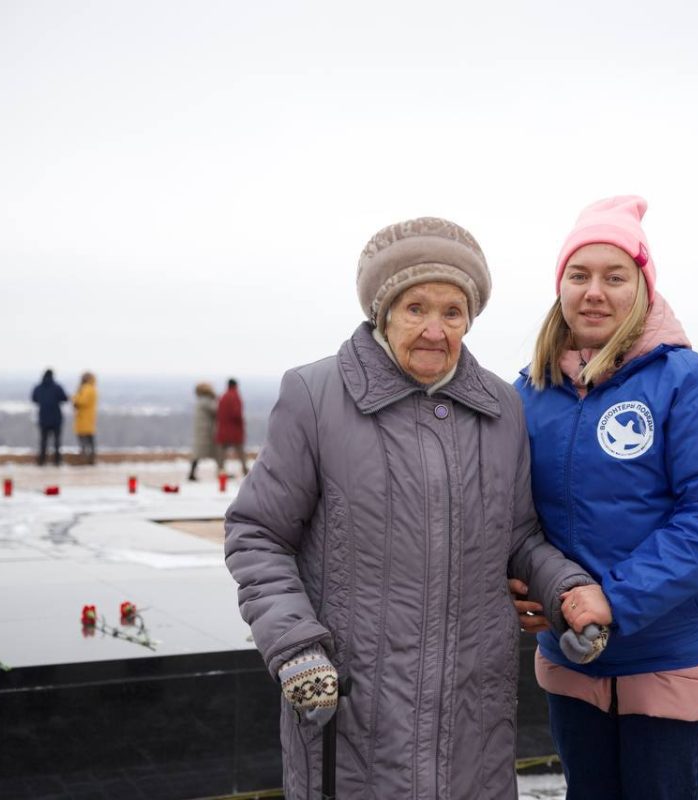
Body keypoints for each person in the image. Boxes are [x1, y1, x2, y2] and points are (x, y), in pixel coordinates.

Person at [224, 216, 609, 799]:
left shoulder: (502, 408)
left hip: (472, 722)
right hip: (352, 716)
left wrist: (566, 595)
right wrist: (296, 646)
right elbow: (258, 534)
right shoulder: (314, 395)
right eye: (415, 309)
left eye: (453, 312)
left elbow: (520, 539)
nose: (435, 330)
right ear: (382, 312)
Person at [512, 196, 698, 800]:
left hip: (674, 657)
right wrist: (539, 590)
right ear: (560, 287)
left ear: (643, 289)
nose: (594, 292)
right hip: (574, 658)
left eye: (615, 277)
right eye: (579, 274)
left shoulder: (691, 383)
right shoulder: (530, 390)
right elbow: (514, 516)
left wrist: (613, 600)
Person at [31, 369, 69, 466]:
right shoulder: (57, 387)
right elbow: (64, 398)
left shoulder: (38, 388)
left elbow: (34, 399)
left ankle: (42, 461)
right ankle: (57, 461)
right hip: (56, 418)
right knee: (57, 441)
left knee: (43, 441)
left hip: (43, 418)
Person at [215, 378, 250, 477]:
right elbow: (237, 414)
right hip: (235, 429)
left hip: (223, 429)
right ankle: (245, 470)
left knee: (222, 452)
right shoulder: (235, 396)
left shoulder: (223, 396)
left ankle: (221, 471)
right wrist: (241, 424)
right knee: (240, 451)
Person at [188, 382, 219, 481]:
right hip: (206, 431)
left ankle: (192, 473)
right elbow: (216, 410)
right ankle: (221, 471)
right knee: (216, 452)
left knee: (198, 453)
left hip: (202, 430)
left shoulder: (201, 401)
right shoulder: (206, 401)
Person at [72, 372, 98, 465]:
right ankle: (91, 459)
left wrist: (74, 398)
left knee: (83, 441)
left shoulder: (86, 389)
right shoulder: (93, 388)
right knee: (90, 441)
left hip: (83, 418)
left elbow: (82, 401)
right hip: (89, 418)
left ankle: (84, 459)